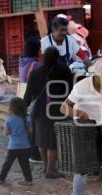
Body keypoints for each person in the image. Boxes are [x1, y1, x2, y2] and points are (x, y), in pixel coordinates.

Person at [60, 59, 102, 195]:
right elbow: (63, 107)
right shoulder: (82, 86)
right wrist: (78, 113)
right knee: (83, 168)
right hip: (84, 129)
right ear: (95, 76)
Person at [23, 47, 73, 179]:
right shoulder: (64, 70)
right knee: (53, 141)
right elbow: (71, 91)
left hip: (39, 110)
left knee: (41, 139)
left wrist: (23, 108)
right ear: (57, 57)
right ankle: (50, 169)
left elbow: (28, 94)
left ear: (44, 58)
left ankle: (46, 167)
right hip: (56, 110)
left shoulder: (36, 72)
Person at [0, 97, 33, 186]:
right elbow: (30, 131)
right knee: (25, 164)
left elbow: (5, 133)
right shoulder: (27, 119)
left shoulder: (9, 120)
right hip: (25, 146)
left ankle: (1, 179)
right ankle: (28, 180)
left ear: (11, 108)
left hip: (13, 146)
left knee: (7, 164)